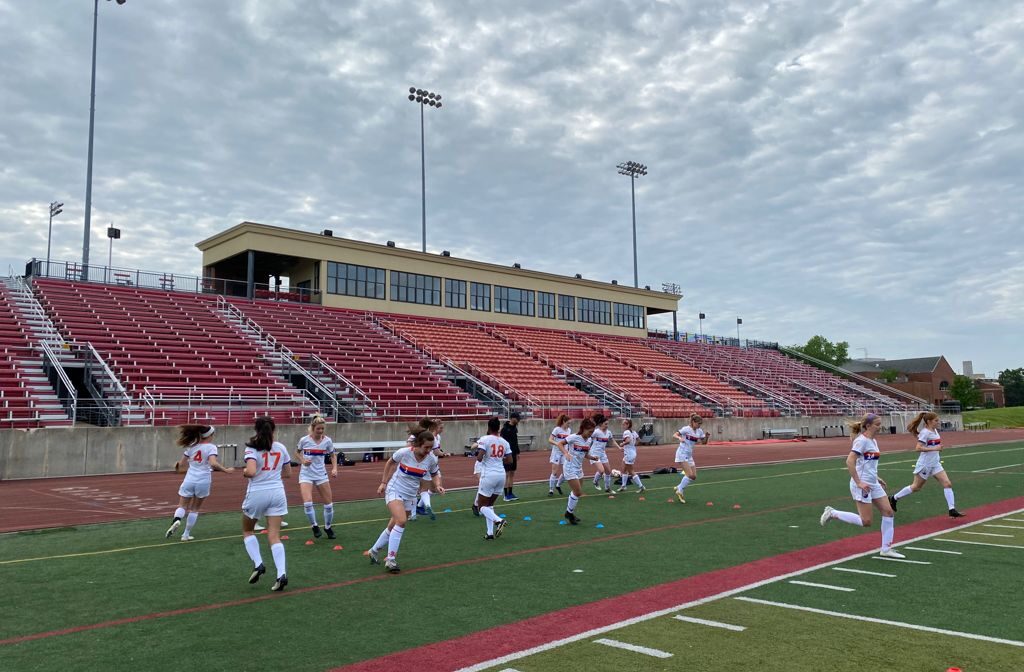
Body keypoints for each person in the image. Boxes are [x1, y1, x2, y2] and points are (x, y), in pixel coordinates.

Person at [820, 413, 905, 558]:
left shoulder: (874, 441)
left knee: (888, 512)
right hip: (862, 485)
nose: (880, 427)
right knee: (866, 521)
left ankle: (886, 549)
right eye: (877, 424)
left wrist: (876, 478)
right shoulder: (861, 441)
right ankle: (833, 513)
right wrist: (859, 482)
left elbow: (866, 464)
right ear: (868, 426)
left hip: (872, 483)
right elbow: (850, 461)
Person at [366, 431, 445, 573]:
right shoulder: (404, 453)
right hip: (394, 490)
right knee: (401, 521)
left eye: (431, 447)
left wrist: (438, 485)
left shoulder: (431, 459)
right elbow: (390, 463)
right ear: (418, 445)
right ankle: (390, 560)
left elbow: (434, 474)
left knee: (393, 526)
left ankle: (374, 550)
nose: (428, 451)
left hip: (410, 496)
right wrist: (383, 483)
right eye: (426, 447)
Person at [240, 416, 293, 591]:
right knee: (274, 536)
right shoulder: (281, 448)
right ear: (274, 430)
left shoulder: (251, 448)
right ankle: (281, 574)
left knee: (248, 530)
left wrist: (245, 472)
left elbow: (252, 471)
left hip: (257, 492)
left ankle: (258, 563)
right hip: (278, 492)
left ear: (256, 430)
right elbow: (288, 473)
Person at [889, 411, 964, 518]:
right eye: (936, 420)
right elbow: (918, 448)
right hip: (925, 465)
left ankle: (952, 509)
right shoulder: (925, 433)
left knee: (947, 484)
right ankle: (894, 498)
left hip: (935, 464)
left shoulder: (934, 431)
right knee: (916, 487)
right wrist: (935, 448)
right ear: (929, 421)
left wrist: (936, 448)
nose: (938, 422)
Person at [165, 425, 233, 541]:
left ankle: (176, 520)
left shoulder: (191, 446)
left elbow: (181, 464)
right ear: (209, 436)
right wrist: (226, 470)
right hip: (203, 480)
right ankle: (186, 534)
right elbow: (213, 463)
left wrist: (178, 466)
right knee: (195, 508)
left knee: (182, 505)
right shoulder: (211, 447)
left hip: (190, 479)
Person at [296, 416, 339, 540]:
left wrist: (335, 468)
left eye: (322, 429)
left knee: (329, 505)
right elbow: (297, 452)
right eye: (318, 429)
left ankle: (327, 527)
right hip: (306, 474)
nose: (320, 431)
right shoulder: (304, 440)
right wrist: (303, 460)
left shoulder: (327, 441)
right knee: (308, 503)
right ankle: (314, 526)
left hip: (321, 474)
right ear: (312, 428)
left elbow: (332, 455)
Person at [474, 417, 512, 539]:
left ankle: (499, 521)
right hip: (501, 475)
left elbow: (479, 458)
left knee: (481, 507)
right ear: (498, 428)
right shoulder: (504, 442)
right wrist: (498, 459)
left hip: (489, 475)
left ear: (489, 427)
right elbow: (510, 460)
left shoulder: (485, 439)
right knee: (489, 505)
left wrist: (482, 453)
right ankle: (489, 533)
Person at [556, 417, 597, 525]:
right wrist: (565, 453)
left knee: (576, 493)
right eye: (590, 431)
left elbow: (585, 454)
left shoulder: (589, 440)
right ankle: (569, 513)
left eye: (593, 432)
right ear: (583, 428)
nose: (591, 434)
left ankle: (569, 513)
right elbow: (560, 444)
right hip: (569, 467)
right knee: (578, 492)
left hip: (579, 468)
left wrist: (592, 458)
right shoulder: (573, 437)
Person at [672, 414, 708, 503]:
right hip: (682, 453)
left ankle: (679, 487)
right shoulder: (686, 429)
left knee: (694, 477)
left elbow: (704, 442)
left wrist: (707, 437)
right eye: (698, 423)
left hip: (689, 455)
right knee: (689, 474)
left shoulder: (699, 431)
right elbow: (674, 435)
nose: (699, 425)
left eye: (700, 424)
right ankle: (680, 490)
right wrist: (680, 438)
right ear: (693, 422)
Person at [417, 419, 449, 519]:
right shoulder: (430, 437)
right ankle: (419, 507)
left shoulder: (438, 437)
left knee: (432, 488)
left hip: (433, 465)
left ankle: (420, 506)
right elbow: (436, 452)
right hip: (427, 465)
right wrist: (444, 454)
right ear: (435, 427)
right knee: (430, 487)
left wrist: (441, 453)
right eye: (440, 428)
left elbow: (437, 450)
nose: (442, 430)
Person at [589, 414, 621, 493]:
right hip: (594, 453)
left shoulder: (608, 433)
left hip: (602, 453)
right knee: (601, 470)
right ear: (600, 424)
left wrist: (619, 447)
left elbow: (612, 440)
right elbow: (588, 438)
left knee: (608, 471)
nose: (607, 425)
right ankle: (595, 481)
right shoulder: (596, 432)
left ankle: (607, 488)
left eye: (607, 424)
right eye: (605, 424)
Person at [617, 418, 645, 493]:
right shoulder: (634, 432)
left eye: (624, 424)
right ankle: (623, 486)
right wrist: (632, 446)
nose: (622, 425)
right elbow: (639, 440)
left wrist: (622, 444)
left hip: (629, 454)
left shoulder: (626, 432)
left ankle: (641, 486)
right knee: (623, 469)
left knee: (631, 471)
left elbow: (628, 441)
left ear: (628, 425)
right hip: (632, 453)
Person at [547, 414, 571, 496]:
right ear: (563, 422)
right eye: (568, 423)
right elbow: (550, 440)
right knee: (554, 472)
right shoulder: (557, 429)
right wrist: (557, 443)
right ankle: (551, 490)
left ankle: (558, 485)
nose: (569, 425)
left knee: (566, 471)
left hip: (565, 452)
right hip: (556, 453)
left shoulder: (569, 430)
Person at [501, 412, 521, 501]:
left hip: (513, 453)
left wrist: (517, 453)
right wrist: (504, 455)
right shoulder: (505, 429)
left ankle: (510, 493)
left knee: (512, 473)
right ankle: (505, 495)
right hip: (506, 454)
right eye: (517, 419)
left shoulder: (514, 428)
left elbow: (515, 441)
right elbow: (502, 443)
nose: (518, 421)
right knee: (507, 473)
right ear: (512, 418)